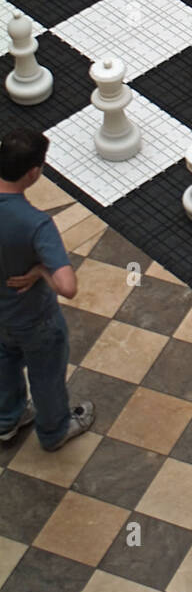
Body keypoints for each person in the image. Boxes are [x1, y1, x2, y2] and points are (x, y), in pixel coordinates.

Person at [0, 128, 94, 451]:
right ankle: (54, 431)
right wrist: (40, 269)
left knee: (4, 365)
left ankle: (7, 422)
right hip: (35, 320)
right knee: (46, 376)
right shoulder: (35, 223)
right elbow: (67, 287)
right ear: (33, 172)